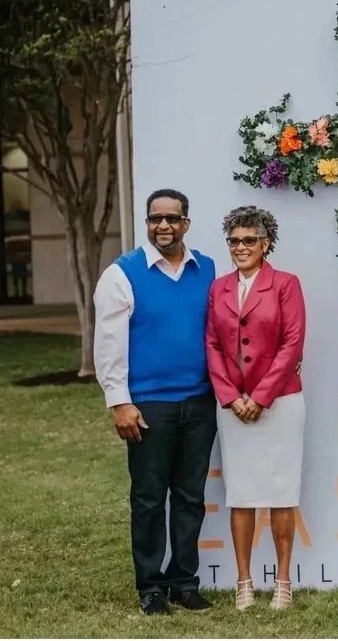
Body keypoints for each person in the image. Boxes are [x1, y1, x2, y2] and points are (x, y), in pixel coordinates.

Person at [93, 188, 217, 615]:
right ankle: (150, 587)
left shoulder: (208, 269)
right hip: (148, 406)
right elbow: (108, 343)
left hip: (200, 403)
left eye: (172, 218)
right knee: (148, 498)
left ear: (186, 222)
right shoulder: (122, 273)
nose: (163, 225)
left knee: (190, 496)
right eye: (155, 218)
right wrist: (119, 402)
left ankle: (183, 580)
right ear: (147, 223)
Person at [206, 205, 306, 611]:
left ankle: (283, 580)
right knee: (242, 494)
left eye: (249, 240)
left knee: (283, 491)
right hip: (233, 408)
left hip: (280, 403)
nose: (241, 247)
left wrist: (260, 397)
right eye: (234, 241)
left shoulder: (286, 284)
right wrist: (231, 397)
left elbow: (292, 344)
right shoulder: (219, 289)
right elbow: (212, 344)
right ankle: (243, 580)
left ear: (266, 244)